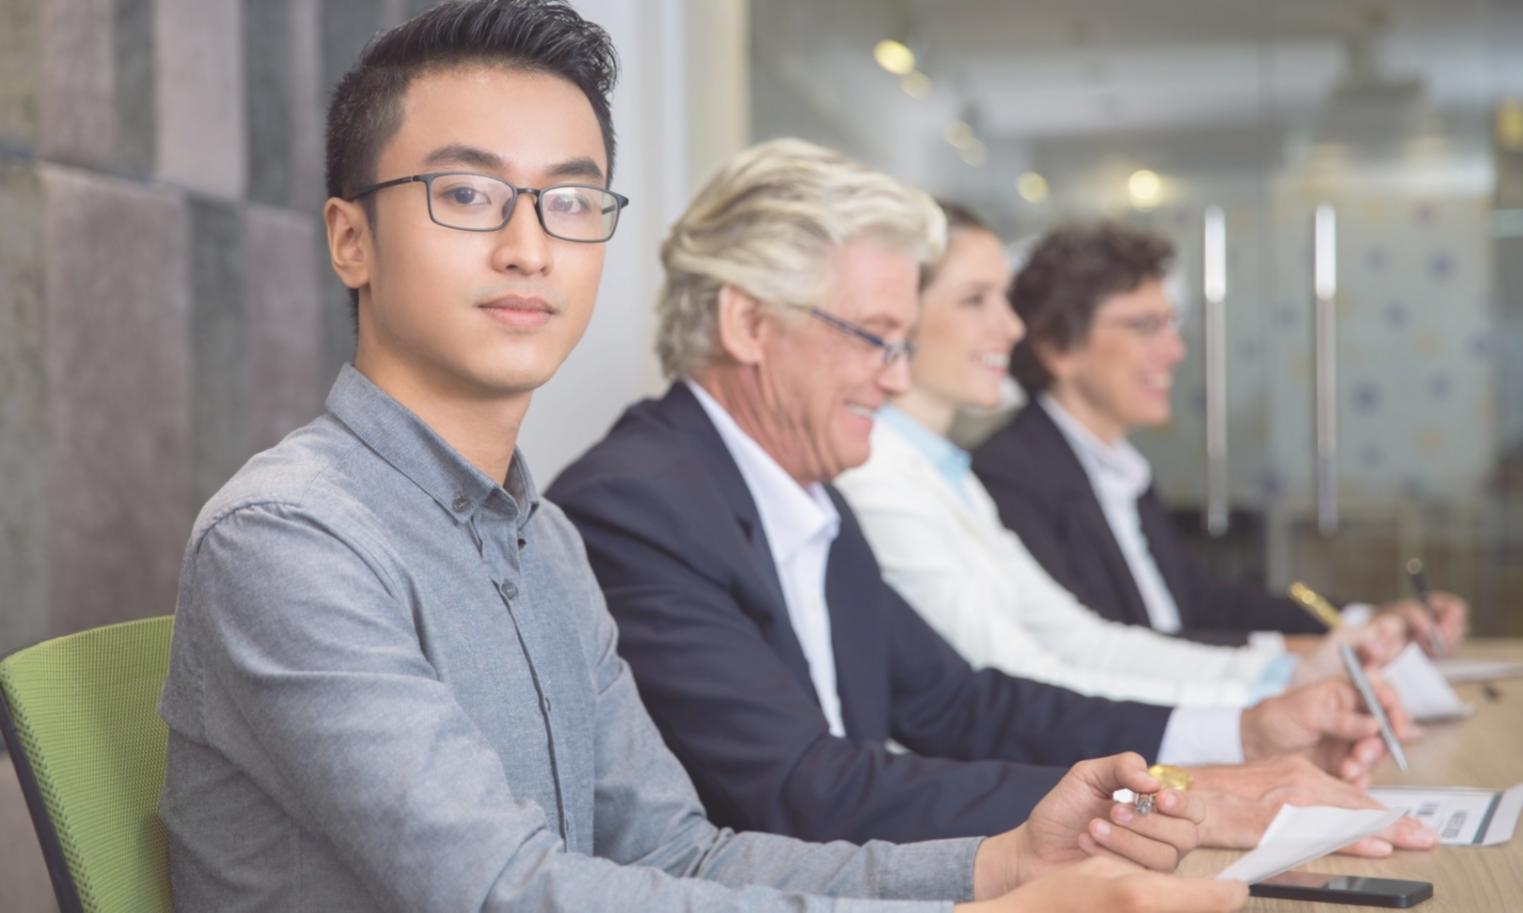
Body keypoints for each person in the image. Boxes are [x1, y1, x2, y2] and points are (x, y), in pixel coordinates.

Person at [155, 4, 1250, 912]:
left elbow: (683, 855)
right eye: (467, 193)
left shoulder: (544, 539)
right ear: (350, 238)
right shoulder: (293, 538)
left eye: (572, 199)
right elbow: (503, 894)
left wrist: (990, 865)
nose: (529, 244)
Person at [548, 138, 1422, 854]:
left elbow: (961, 703)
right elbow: (799, 790)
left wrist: (1241, 738)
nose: (894, 382)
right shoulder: (636, 507)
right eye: (876, 340)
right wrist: (1192, 794)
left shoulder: (806, 488)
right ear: (747, 324)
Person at [833, 202, 1408, 710]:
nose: (1011, 328)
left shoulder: (951, 474)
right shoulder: (897, 473)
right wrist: (1258, 703)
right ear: (897, 316)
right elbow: (1019, 677)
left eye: (1004, 300)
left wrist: (1280, 679)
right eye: (975, 300)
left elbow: (1082, 638)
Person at [969, 222, 1468, 651]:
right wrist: (1304, 653)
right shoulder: (1012, 478)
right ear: (1059, 346)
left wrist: (1364, 620)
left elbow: (1199, 602)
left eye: (1171, 324)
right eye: (1145, 326)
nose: (1174, 351)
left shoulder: (1117, 467)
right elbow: (1104, 646)